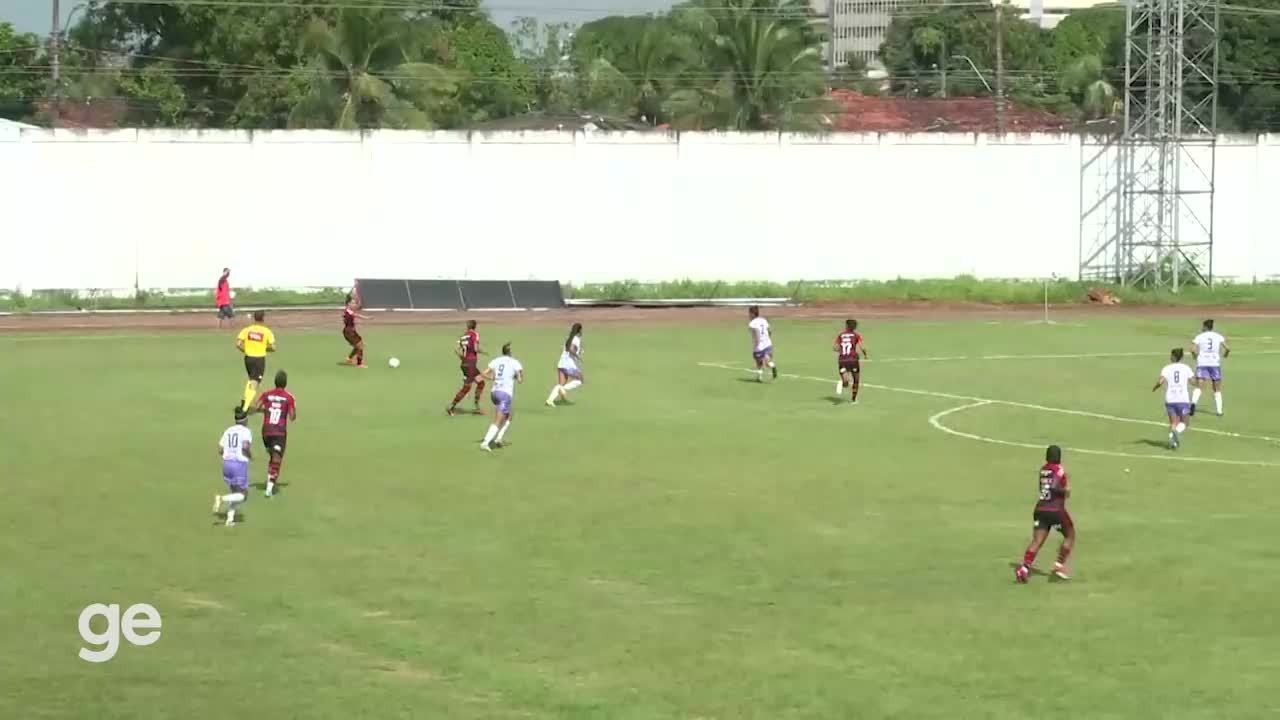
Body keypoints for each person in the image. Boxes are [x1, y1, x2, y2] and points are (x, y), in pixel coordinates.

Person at [1015, 445, 1076, 583]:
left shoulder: (1043, 470)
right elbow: (1057, 488)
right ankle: (1059, 566)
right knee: (1070, 534)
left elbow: (1044, 488)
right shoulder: (1059, 470)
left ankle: (1024, 568)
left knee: (1037, 541)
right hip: (1055, 510)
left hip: (1040, 509)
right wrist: (1066, 491)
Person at [253, 370, 297, 498]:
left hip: (266, 431)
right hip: (279, 432)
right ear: (285, 383)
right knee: (277, 459)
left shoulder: (266, 394)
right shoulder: (289, 397)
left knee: (273, 457)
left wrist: (266, 411)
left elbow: (255, 407)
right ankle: (269, 488)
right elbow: (292, 416)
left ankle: (270, 481)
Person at [479, 342, 523, 451]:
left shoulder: (496, 360)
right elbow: (520, 380)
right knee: (498, 421)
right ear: (510, 352)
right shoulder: (515, 362)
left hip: (494, 393)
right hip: (505, 394)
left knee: (509, 414)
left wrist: (492, 379)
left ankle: (499, 438)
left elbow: (483, 374)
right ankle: (485, 443)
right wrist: (516, 376)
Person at [213, 406, 253, 527]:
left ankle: (229, 520)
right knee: (243, 495)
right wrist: (250, 456)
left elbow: (220, 449)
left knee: (234, 492)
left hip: (227, 464)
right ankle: (221, 499)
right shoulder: (246, 431)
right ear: (246, 419)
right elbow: (245, 446)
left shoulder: (228, 430)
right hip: (239, 464)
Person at [1153, 347, 1194, 450]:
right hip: (1182, 399)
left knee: (1173, 423)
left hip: (1170, 399)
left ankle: (1172, 443)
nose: (1170, 357)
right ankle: (1176, 432)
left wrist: (1155, 387)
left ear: (1174, 357)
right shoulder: (1186, 368)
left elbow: (1160, 381)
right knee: (1185, 423)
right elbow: (1192, 382)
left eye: (1171, 355)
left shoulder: (1166, 368)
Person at [235, 310, 276, 412]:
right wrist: (264, 348)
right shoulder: (266, 331)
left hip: (248, 358)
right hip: (259, 359)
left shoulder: (247, 330)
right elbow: (273, 347)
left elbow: (238, 343)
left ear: (254, 318)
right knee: (254, 382)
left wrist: (246, 350)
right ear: (263, 318)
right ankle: (244, 408)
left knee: (252, 380)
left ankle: (245, 400)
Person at [1190, 319, 1230, 417]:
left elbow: (1192, 349)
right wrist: (1225, 355)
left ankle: (1193, 404)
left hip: (1202, 363)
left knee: (1199, 386)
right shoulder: (1218, 336)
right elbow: (1228, 348)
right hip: (1214, 364)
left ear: (1205, 327)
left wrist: (1195, 356)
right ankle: (1219, 411)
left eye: (1203, 326)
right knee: (1217, 388)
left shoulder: (1199, 336)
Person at [447, 320, 487, 416]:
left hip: (465, 363)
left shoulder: (463, 336)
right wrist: (483, 352)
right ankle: (451, 406)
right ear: (475, 326)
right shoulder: (474, 335)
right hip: (471, 364)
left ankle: (477, 407)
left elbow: (456, 349)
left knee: (481, 383)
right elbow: (476, 349)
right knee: (467, 388)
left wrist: (462, 357)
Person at [546, 323, 584, 407]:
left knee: (561, 383)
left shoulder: (570, 338)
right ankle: (562, 389)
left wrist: (578, 351)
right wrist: (578, 356)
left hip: (561, 362)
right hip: (568, 364)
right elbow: (571, 349)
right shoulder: (576, 339)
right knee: (580, 379)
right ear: (579, 330)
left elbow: (570, 348)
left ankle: (550, 400)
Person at [833, 319, 869, 403]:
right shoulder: (856, 335)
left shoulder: (841, 335)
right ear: (854, 327)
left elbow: (835, 348)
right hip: (853, 359)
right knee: (856, 380)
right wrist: (865, 355)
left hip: (842, 359)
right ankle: (853, 399)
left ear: (846, 326)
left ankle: (843, 382)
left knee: (846, 383)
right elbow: (862, 347)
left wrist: (841, 350)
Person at [747, 305, 777, 382]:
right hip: (768, 343)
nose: (749, 315)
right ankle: (772, 365)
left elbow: (757, 332)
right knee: (767, 362)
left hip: (759, 346)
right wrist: (768, 339)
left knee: (759, 363)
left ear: (753, 314)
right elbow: (769, 330)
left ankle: (759, 377)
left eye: (749, 313)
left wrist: (757, 343)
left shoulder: (752, 323)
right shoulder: (763, 320)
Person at [341, 293, 370, 368]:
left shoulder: (348, 310)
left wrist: (366, 318)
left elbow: (356, 314)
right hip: (349, 332)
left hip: (350, 331)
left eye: (354, 303)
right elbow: (355, 315)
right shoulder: (348, 312)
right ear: (348, 304)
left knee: (358, 345)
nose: (354, 304)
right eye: (353, 303)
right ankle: (359, 364)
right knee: (360, 346)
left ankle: (349, 358)